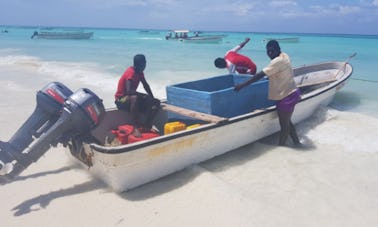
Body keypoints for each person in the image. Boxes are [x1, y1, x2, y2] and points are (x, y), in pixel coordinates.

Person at [234, 40, 301, 146]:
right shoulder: (284, 56)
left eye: (272, 51)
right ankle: (297, 143)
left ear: (278, 50)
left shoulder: (277, 61)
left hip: (286, 97)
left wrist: (242, 85)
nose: (270, 53)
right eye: (268, 51)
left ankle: (281, 149)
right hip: (292, 92)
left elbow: (259, 75)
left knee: (284, 126)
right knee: (287, 122)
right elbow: (277, 71)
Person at [115, 54, 160, 137]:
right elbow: (129, 91)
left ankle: (147, 125)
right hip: (121, 100)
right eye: (145, 62)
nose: (146, 64)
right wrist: (143, 95)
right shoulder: (131, 72)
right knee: (134, 97)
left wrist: (152, 98)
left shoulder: (140, 72)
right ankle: (135, 127)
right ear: (140, 64)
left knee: (157, 102)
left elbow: (145, 85)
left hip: (130, 99)